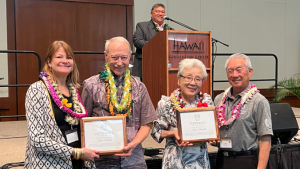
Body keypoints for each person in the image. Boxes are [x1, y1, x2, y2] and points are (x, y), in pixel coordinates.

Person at [81, 36, 157, 168]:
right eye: (114, 57)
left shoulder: (139, 87)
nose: (119, 62)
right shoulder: (90, 85)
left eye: (124, 57)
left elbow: (146, 123)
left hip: (134, 160)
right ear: (106, 56)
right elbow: (83, 122)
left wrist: (134, 144)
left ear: (130, 56)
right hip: (101, 161)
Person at [24, 41, 99, 169]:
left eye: (69, 57)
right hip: (50, 163)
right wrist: (76, 153)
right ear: (49, 61)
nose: (65, 61)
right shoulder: (36, 90)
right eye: (59, 57)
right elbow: (37, 139)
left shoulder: (74, 90)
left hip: (78, 161)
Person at [151, 58, 214, 169]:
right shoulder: (166, 104)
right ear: (179, 80)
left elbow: (210, 130)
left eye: (198, 79)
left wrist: (212, 136)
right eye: (188, 77)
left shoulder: (207, 102)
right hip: (175, 162)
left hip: (200, 163)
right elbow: (156, 132)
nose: (192, 83)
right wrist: (174, 133)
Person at [213, 53, 273, 169]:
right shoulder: (218, 99)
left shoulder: (259, 101)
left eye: (239, 70)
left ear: (250, 72)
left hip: (246, 161)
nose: (235, 75)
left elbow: (265, 139)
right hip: (222, 160)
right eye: (230, 70)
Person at [132, 3, 173, 81]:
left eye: (163, 12)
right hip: (148, 64)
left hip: (165, 65)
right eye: (157, 11)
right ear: (151, 14)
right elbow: (137, 41)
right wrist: (156, 45)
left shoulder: (170, 29)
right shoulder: (142, 26)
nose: (160, 14)